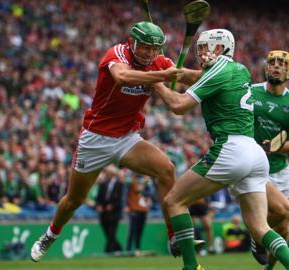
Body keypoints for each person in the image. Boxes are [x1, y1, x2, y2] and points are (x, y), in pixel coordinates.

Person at [30, 21, 202, 262]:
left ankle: (173, 236)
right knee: (74, 200)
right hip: (96, 138)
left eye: (154, 48)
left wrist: (220, 74)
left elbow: (190, 77)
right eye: (145, 47)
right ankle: (50, 235)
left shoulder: (159, 62)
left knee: (166, 170)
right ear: (132, 43)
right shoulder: (117, 53)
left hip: (126, 139)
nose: (150, 53)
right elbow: (122, 77)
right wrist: (162, 75)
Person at [153, 29, 289, 270]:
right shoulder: (239, 69)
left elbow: (178, 105)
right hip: (254, 154)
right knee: (260, 227)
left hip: (231, 149)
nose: (200, 52)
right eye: (199, 48)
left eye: (205, 47)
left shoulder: (218, 70)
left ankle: (191, 267)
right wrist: (171, 70)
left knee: (173, 201)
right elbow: (195, 77)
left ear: (221, 49)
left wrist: (155, 82)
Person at [249, 50, 289, 269]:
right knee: (281, 211)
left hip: (279, 169)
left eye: (282, 64)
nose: (276, 67)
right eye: (272, 63)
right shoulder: (250, 91)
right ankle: (258, 233)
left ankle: (268, 267)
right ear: (266, 68)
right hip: (253, 166)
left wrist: (273, 148)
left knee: (283, 228)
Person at [96, 166, 124, 253]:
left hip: (114, 213)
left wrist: (112, 205)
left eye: (107, 172)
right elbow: (99, 197)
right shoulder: (103, 184)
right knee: (107, 233)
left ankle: (108, 251)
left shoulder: (119, 184)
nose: (106, 174)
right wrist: (99, 205)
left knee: (112, 232)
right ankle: (118, 248)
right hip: (104, 213)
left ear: (112, 173)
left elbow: (120, 199)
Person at [125, 174, 151, 256]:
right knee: (132, 231)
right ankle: (128, 250)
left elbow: (150, 194)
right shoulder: (132, 179)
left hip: (143, 210)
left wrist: (148, 184)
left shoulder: (146, 181)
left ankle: (137, 249)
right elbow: (138, 189)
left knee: (139, 232)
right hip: (134, 209)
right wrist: (145, 183)